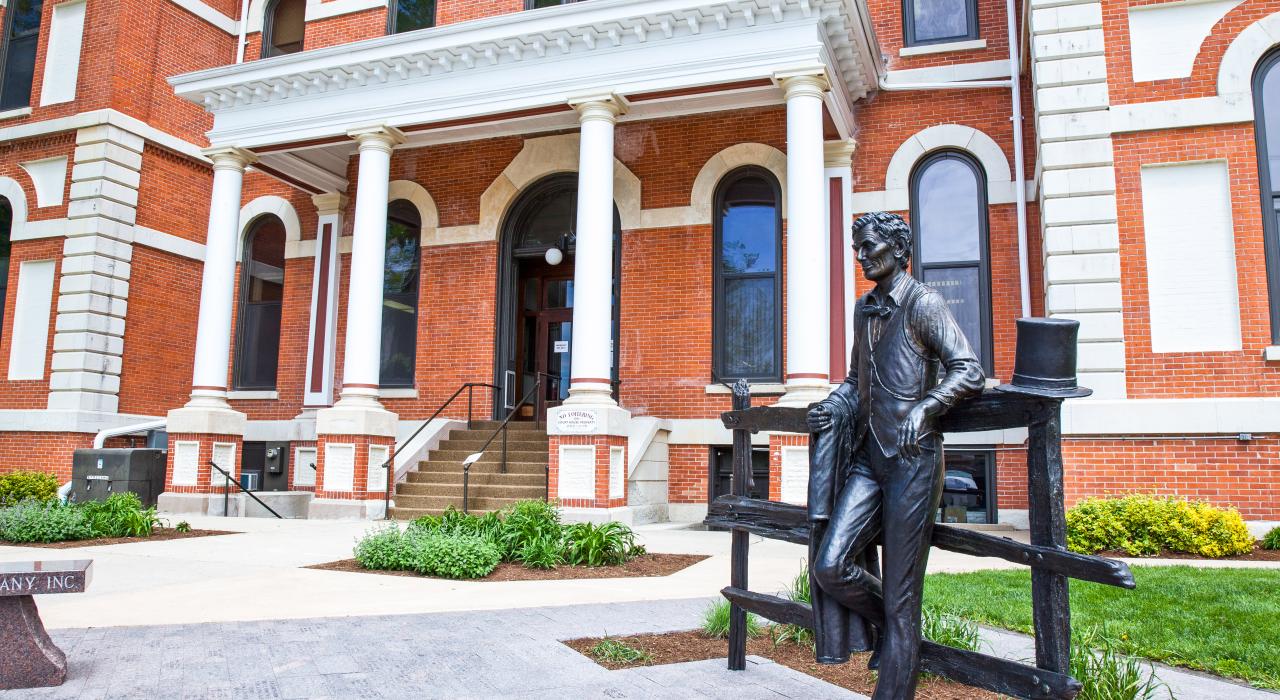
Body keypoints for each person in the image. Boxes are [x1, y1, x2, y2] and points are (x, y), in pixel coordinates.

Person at [806, 211, 984, 699]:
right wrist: (831, 406)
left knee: (904, 599)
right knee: (829, 565)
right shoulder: (865, 308)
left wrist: (927, 408)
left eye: (869, 247)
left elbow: (969, 370)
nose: (861, 256)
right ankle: (897, 625)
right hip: (869, 458)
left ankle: (895, 676)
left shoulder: (924, 303)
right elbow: (854, 382)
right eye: (857, 248)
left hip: (913, 461)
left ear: (898, 250)